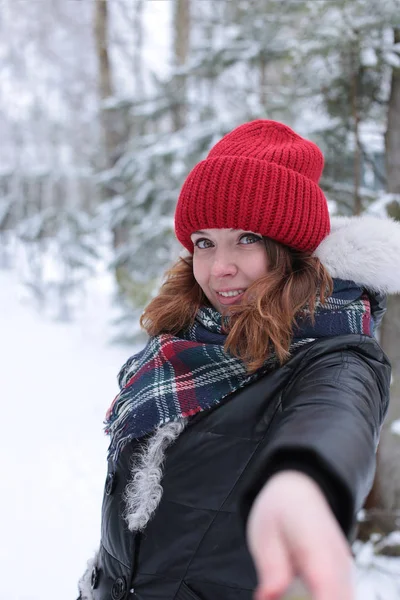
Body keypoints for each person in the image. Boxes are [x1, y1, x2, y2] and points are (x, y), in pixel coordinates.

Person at [77, 120, 399, 600]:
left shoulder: (335, 357)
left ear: (291, 250)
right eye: (204, 242)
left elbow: (334, 417)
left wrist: (304, 487)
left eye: (246, 238)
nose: (219, 266)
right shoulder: (190, 340)